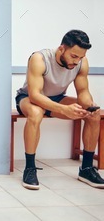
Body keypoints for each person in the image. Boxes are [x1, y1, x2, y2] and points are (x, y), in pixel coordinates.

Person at [15, 29, 104, 190]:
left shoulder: (81, 62)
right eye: (73, 56)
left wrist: (89, 105)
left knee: (94, 115)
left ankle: (86, 169)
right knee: (36, 112)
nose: (76, 61)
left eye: (81, 57)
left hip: (57, 97)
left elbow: (83, 92)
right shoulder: (39, 58)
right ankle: (29, 169)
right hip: (29, 98)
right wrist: (63, 109)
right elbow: (35, 95)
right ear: (62, 48)